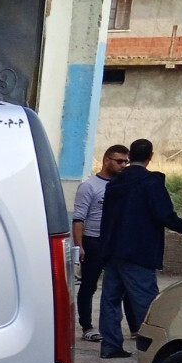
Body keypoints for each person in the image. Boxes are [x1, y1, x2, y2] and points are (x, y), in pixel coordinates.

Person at [97, 138, 182, 359]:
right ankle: (154, 349)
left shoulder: (115, 183)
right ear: (150, 156)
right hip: (139, 250)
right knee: (146, 300)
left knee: (110, 300)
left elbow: (106, 218)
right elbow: (164, 215)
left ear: (131, 155)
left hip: (113, 249)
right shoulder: (150, 183)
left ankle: (110, 345)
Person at [71, 144, 129, 342]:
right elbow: (79, 218)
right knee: (89, 285)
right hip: (94, 241)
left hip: (115, 242)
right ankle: (86, 326)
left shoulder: (122, 185)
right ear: (106, 160)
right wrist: (79, 246)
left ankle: (132, 327)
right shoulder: (90, 186)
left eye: (126, 162)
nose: (123, 165)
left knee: (120, 286)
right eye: (119, 161)